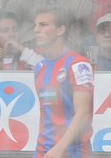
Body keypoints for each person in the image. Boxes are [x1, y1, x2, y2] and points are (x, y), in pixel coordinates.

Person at [32, 8, 93, 157]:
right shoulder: (40, 67)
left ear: (60, 30)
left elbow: (83, 113)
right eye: (35, 25)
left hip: (74, 152)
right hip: (44, 151)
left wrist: (60, 148)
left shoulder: (79, 65)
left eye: (43, 25)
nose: (36, 30)